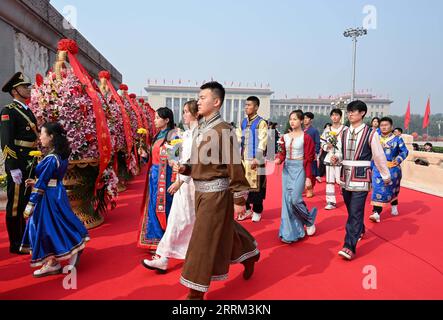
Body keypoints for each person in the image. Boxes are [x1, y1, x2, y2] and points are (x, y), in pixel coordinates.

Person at [178, 82, 259, 300]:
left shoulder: (223, 130)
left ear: (216, 102)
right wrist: (186, 167)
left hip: (216, 194)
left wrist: (240, 198)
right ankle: (249, 253)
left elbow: (235, 165)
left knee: (202, 240)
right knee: (223, 231)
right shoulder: (202, 127)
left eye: (203, 97)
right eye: (198, 97)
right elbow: (201, 160)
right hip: (201, 192)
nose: (198, 100)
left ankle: (195, 293)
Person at [20, 122, 89, 277]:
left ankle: (54, 260)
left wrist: (30, 204)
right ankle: (58, 257)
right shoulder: (59, 154)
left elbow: (43, 182)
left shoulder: (51, 158)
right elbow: (51, 178)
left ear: (51, 137)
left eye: (42, 133)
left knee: (43, 227)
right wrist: (37, 182)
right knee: (59, 223)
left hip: (47, 196)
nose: (40, 137)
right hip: (56, 191)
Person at [141, 101, 199, 273]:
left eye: (186, 112)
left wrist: (178, 179)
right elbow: (178, 159)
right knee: (178, 219)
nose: (183, 115)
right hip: (176, 179)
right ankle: (163, 256)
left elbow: (191, 162)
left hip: (185, 182)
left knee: (186, 219)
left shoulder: (181, 135)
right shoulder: (185, 134)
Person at [331, 101, 391, 261]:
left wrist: (386, 175)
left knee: (356, 211)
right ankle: (360, 229)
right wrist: (336, 158)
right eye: (349, 111)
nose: (350, 114)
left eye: (354, 111)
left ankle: (349, 246)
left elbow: (378, 156)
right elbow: (339, 152)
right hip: (345, 176)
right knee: (351, 210)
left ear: (362, 113)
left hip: (362, 176)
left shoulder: (371, 134)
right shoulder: (343, 133)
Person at [1, 72, 39, 255]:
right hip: (19, 162)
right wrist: (12, 166)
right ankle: (16, 243)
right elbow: (6, 142)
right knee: (16, 203)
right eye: (24, 87)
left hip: (31, 161)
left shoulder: (27, 110)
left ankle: (26, 237)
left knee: (27, 201)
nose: (28, 89)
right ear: (15, 91)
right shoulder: (8, 111)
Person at [138, 107, 178, 252]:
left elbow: (176, 159)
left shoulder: (173, 136)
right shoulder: (157, 135)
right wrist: (145, 156)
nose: (154, 120)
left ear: (166, 120)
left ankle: (164, 239)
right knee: (153, 205)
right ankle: (155, 238)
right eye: (154, 117)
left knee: (164, 205)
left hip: (166, 175)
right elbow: (153, 158)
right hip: (155, 174)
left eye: (157, 118)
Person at [275, 110, 318, 243]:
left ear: (301, 121)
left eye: (295, 119)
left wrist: (308, 178)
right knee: (287, 201)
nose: (292, 121)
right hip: (287, 169)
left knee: (295, 199)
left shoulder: (306, 138)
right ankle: (289, 232)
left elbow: (309, 159)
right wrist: (278, 160)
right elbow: (282, 154)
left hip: (300, 168)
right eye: (290, 119)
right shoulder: (284, 137)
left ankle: (308, 219)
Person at [369, 117, 409, 223]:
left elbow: (404, 151)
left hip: (392, 168)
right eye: (382, 125)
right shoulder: (375, 137)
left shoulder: (397, 139)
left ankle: (394, 205)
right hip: (378, 168)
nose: (384, 127)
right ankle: (376, 212)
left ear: (391, 126)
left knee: (392, 189)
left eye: (386, 125)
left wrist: (399, 159)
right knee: (377, 189)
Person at [236, 96, 268, 223]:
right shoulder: (243, 122)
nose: (246, 107)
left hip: (255, 160)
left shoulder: (261, 122)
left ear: (256, 107)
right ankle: (247, 209)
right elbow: (239, 138)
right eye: (245, 105)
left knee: (257, 187)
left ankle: (257, 210)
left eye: (249, 105)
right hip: (244, 159)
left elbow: (263, 141)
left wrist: (257, 158)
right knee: (244, 186)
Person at [321, 110, 347, 210]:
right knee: (330, 181)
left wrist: (339, 156)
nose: (334, 117)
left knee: (342, 180)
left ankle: (347, 197)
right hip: (330, 156)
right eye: (333, 115)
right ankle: (330, 201)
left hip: (343, 158)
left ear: (340, 117)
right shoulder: (327, 130)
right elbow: (322, 142)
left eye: (337, 115)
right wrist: (327, 146)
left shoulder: (346, 129)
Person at [303, 112, 321, 196]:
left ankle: (310, 189)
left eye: (307, 118)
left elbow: (317, 142)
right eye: (304, 118)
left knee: (311, 172)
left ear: (311, 120)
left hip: (311, 155)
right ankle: (303, 188)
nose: (305, 120)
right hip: (302, 155)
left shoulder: (314, 131)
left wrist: (316, 153)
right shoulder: (301, 130)